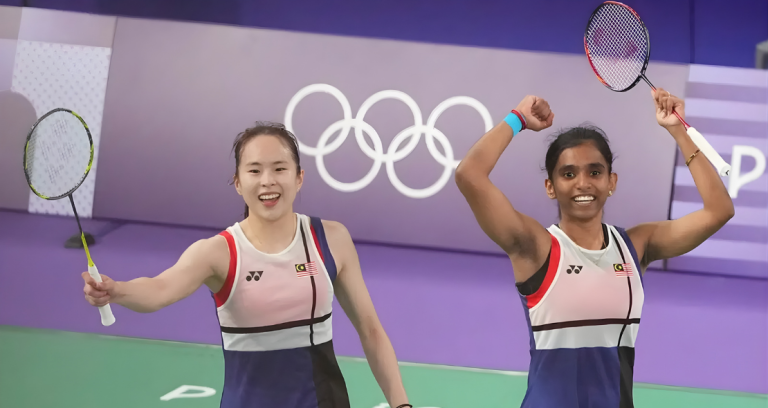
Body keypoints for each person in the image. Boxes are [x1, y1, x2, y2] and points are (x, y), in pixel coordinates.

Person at [82, 122, 412, 408]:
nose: (267, 181)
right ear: (238, 183)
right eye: (254, 170)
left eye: (279, 169)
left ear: (299, 178)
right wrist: (117, 290)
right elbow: (160, 289)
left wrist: (401, 404)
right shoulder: (219, 252)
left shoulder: (330, 239)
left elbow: (371, 330)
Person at [455, 90, 734, 408]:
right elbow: (469, 174)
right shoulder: (535, 248)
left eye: (595, 172)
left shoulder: (636, 247)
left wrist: (678, 130)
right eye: (568, 174)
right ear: (550, 187)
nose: (583, 183)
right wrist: (517, 119)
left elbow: (718, 211)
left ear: (611, 182)